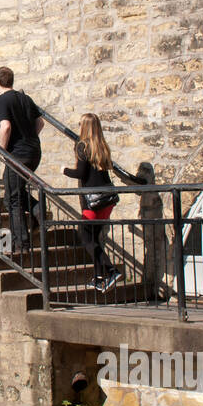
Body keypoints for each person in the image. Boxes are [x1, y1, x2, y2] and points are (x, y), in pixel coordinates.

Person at [62, 113, 124, 292]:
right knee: (94, 238)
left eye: (80, 123)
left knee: (86, 237)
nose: (78, 125)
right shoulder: (102, 146)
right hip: (107, 200)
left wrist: (64, 170)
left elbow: (81, 174)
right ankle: (98, 277)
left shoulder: (83, 146)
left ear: (85, 127)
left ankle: (111, 270)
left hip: (93, 201)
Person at [0, 66, 44, 251]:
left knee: (12, 199)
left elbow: (5, 127)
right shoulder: (25, 98)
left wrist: (2, 150)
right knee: (16, 192)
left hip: (17, 155)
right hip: (33, 152)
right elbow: (40, 122)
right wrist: (29, 138)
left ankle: (22, 243)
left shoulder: (1, 100)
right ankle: (38, 210)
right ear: (11, 81)